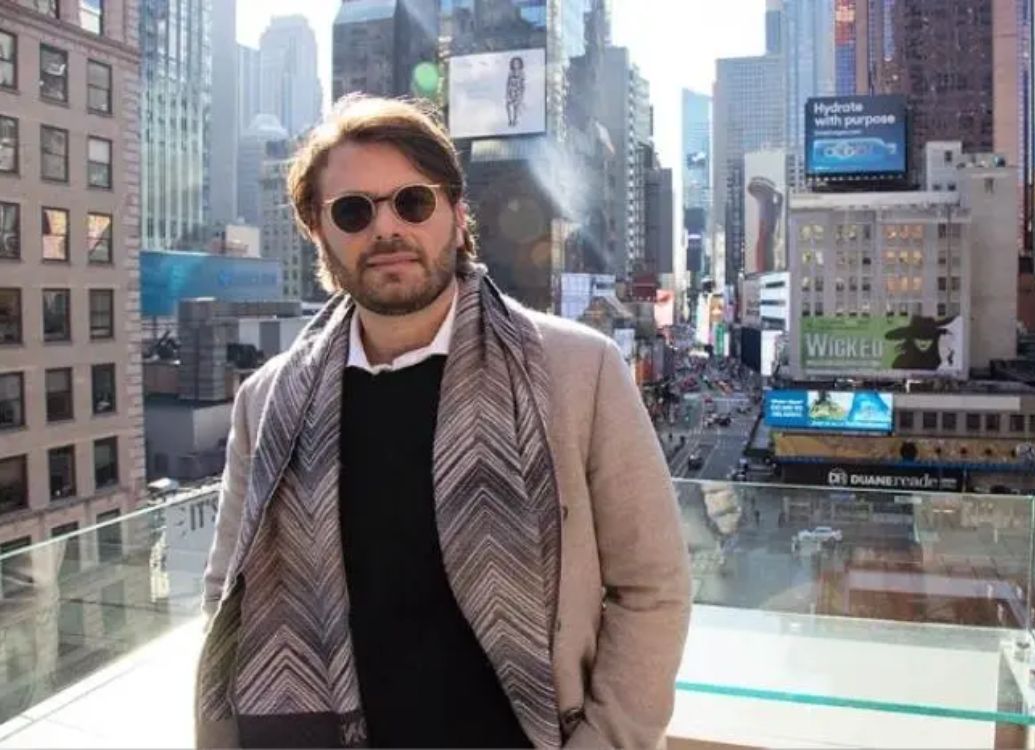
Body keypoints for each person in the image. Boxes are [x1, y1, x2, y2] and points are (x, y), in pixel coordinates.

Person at [196, 95, 691, 749]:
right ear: (319, 233)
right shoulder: (266, 401)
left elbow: (652, 587)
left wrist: (606, 740)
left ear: (457, 217)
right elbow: (227, 592)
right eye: (353, 211)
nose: (386, 229)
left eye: (412, 202)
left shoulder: (580, 371)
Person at [506, 55, 525, 127]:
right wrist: (508, 92)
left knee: (515, 107)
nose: (516, 65)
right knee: (508, 105)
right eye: (514, 63)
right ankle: (510, 120)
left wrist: (521, 94)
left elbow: (522, 84)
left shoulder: (521, 73)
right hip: (511, 91)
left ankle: (515, 120)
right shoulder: (510, 73)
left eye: (517, 63)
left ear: (520, 64)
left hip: (518, 91)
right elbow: (508, 83)